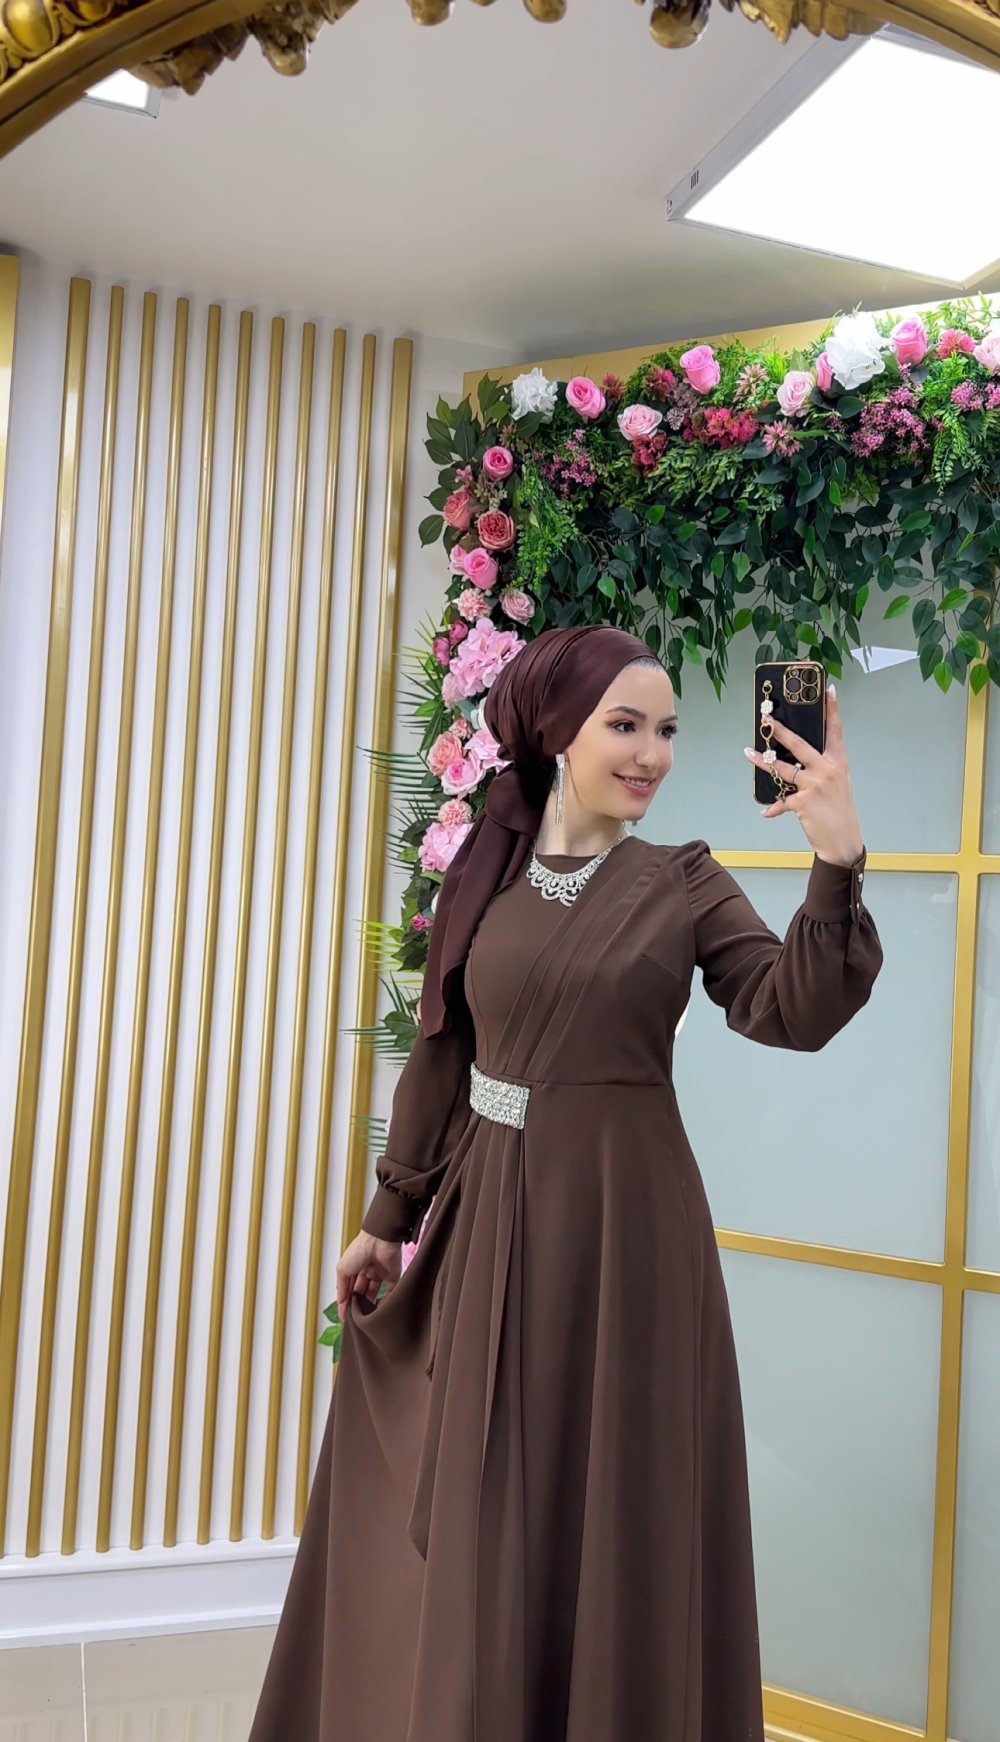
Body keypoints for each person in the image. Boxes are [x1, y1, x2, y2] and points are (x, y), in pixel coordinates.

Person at [249, 625, 883, 1742]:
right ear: (556, 733)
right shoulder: (483, 874)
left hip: (626, 1236)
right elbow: (444, 1052)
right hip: (488, 1219)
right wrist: (387, 1218)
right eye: (624, 725)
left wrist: (836, 861)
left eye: (667, 730)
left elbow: (789, 1008)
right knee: (491, 1500)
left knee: (613, 1504)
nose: (652, 754)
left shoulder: (683, 880)